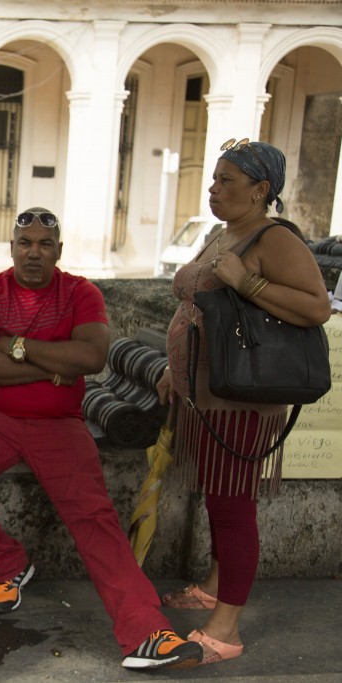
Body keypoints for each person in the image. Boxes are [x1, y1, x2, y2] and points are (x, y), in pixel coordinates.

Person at [0, 207, 203, 670]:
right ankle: (8, 563)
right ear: (11, 247)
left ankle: (147, 633)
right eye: (25, 243)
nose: (34, 252)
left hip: (61, 424)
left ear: (58, 251)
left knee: (95, 517)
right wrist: (54, 368)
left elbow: (92, 357)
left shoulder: (81, 293)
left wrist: (13, 346)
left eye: (44, 245)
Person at [156, 139, 330, 664]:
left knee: (233, 508)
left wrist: (249, 281)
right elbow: (200, 304)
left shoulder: (275, 238)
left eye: (226, 180)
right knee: (218, 499)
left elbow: (316, 307)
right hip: (203, 392)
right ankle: (213, 586)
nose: (213, 188)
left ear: (260, 190)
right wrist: (174, 367)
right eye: (214, 178)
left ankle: (225, 630)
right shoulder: (221, 233)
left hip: (240, 399)